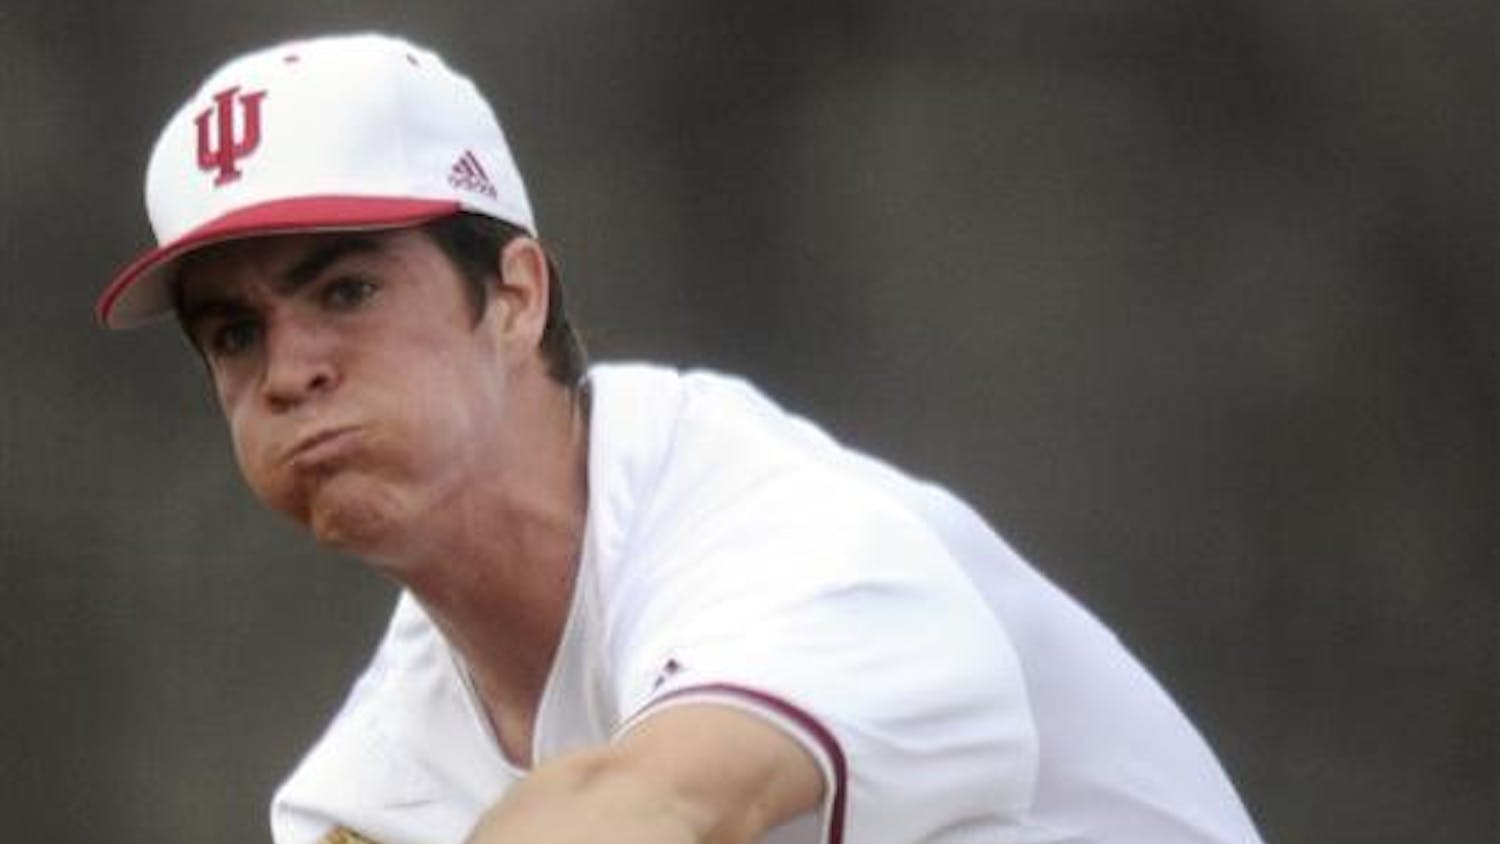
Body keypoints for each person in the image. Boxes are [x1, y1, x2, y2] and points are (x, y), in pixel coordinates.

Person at [99, 32, 1265, 844]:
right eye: (234, 332)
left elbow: (656, 807)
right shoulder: (360, 792)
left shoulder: (779, 527)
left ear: (513, 294)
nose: (288, 369)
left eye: (346, 290)